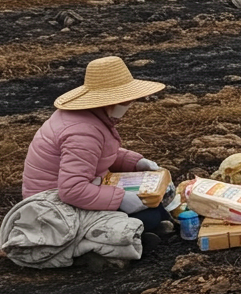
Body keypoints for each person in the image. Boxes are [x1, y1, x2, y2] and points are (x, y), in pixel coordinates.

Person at [21, 56, 170, 252]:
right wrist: (120, 198)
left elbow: (94, 155)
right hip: (52, 208)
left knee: (156, 209)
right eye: (126, 100)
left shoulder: (88, 119)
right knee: (150, 216)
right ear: (110, 100)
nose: (129, 104)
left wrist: (135, 162)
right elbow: (72, 190)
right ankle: (97, 247)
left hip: (77, 191)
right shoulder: (82, 131)